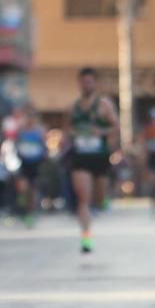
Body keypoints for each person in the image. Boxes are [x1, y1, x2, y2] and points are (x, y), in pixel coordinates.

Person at [67, 67, 119, 252]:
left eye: (89, 82)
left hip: (99, 157)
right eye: (83, 82)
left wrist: (101, 132)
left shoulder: (103, 104)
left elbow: (116, 127)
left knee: (99, 198)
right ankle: (86, 238)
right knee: (83, 199)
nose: (86, 85)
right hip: (81, 157)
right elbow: (70, 129)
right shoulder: (74, 106)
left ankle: (104, 200)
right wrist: (73, 135)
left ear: (95, 83)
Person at [14, 104, 47, 227]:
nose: (30, 119)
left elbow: (44, 147)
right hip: (24, 162)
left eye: (32, 117)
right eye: (28, 116)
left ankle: (30, 214)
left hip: (36, 164)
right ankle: (23, 208)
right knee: (23, 188)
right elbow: (16, 144)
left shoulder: (39, 131)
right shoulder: (21, 130)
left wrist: (43, 157)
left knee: (32, 191)